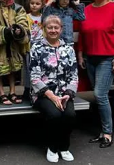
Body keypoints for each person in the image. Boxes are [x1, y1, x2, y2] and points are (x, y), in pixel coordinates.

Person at [76, 0, 114, 148]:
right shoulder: (87, 10)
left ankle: (107, 133)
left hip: (107, 58)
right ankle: (102, 131)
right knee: (100, 97)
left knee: (100, 95)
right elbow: (83, 34)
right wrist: (81, 54)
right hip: (90, 58)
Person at [28, 15, 78, 163]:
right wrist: (51, 96)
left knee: (70, 115)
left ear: (61, 29)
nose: (53, 30)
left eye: (56, 27)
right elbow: (34, 77)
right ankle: (52, 147)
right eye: (50, 27)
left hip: (64, 93)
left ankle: (64, 147)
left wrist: (68, 94)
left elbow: (74, 75)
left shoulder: (68, 49)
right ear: (44, 29)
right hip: (42, 93)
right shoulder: (36, 48)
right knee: (55, 115)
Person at [23, 0, 46, 101]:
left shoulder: (44, 17)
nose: (34, 6)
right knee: (29, 69)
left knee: (40, 69)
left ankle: (39, 89)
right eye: (32, 3)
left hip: (41, 48)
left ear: (42, 5)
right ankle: (27, 89)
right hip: (30, 47)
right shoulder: (26, 17)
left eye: (37, 3)